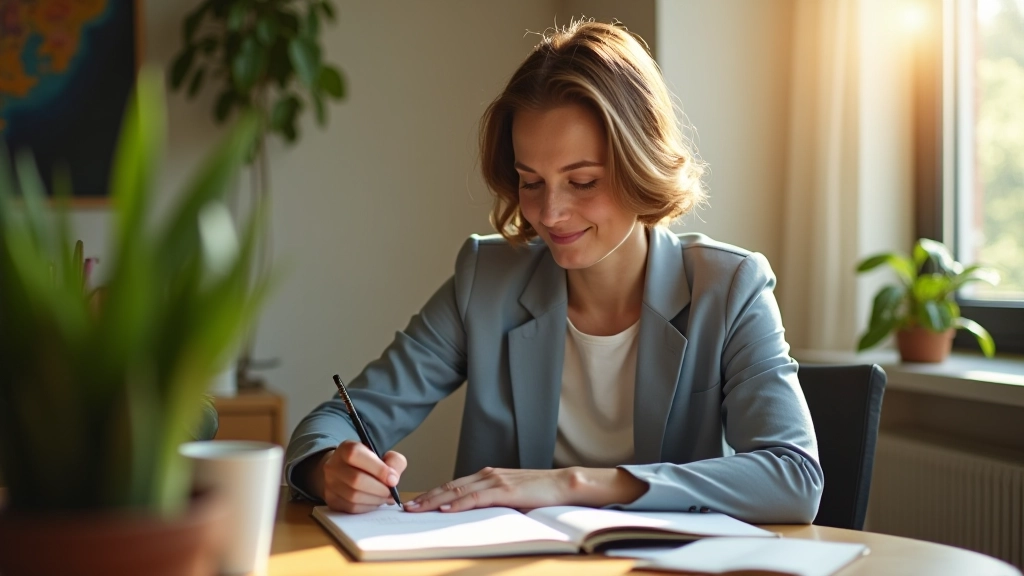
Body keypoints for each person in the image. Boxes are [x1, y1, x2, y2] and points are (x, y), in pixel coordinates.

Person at [285, 20, 823, 524]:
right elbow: (332, 424)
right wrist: (330, 468)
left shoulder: (730, 288)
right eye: (531, 181)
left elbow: (794, 477)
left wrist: (570, 484)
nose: (548, 213)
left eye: (582, 182)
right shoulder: (486, 281)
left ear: (641, 166)